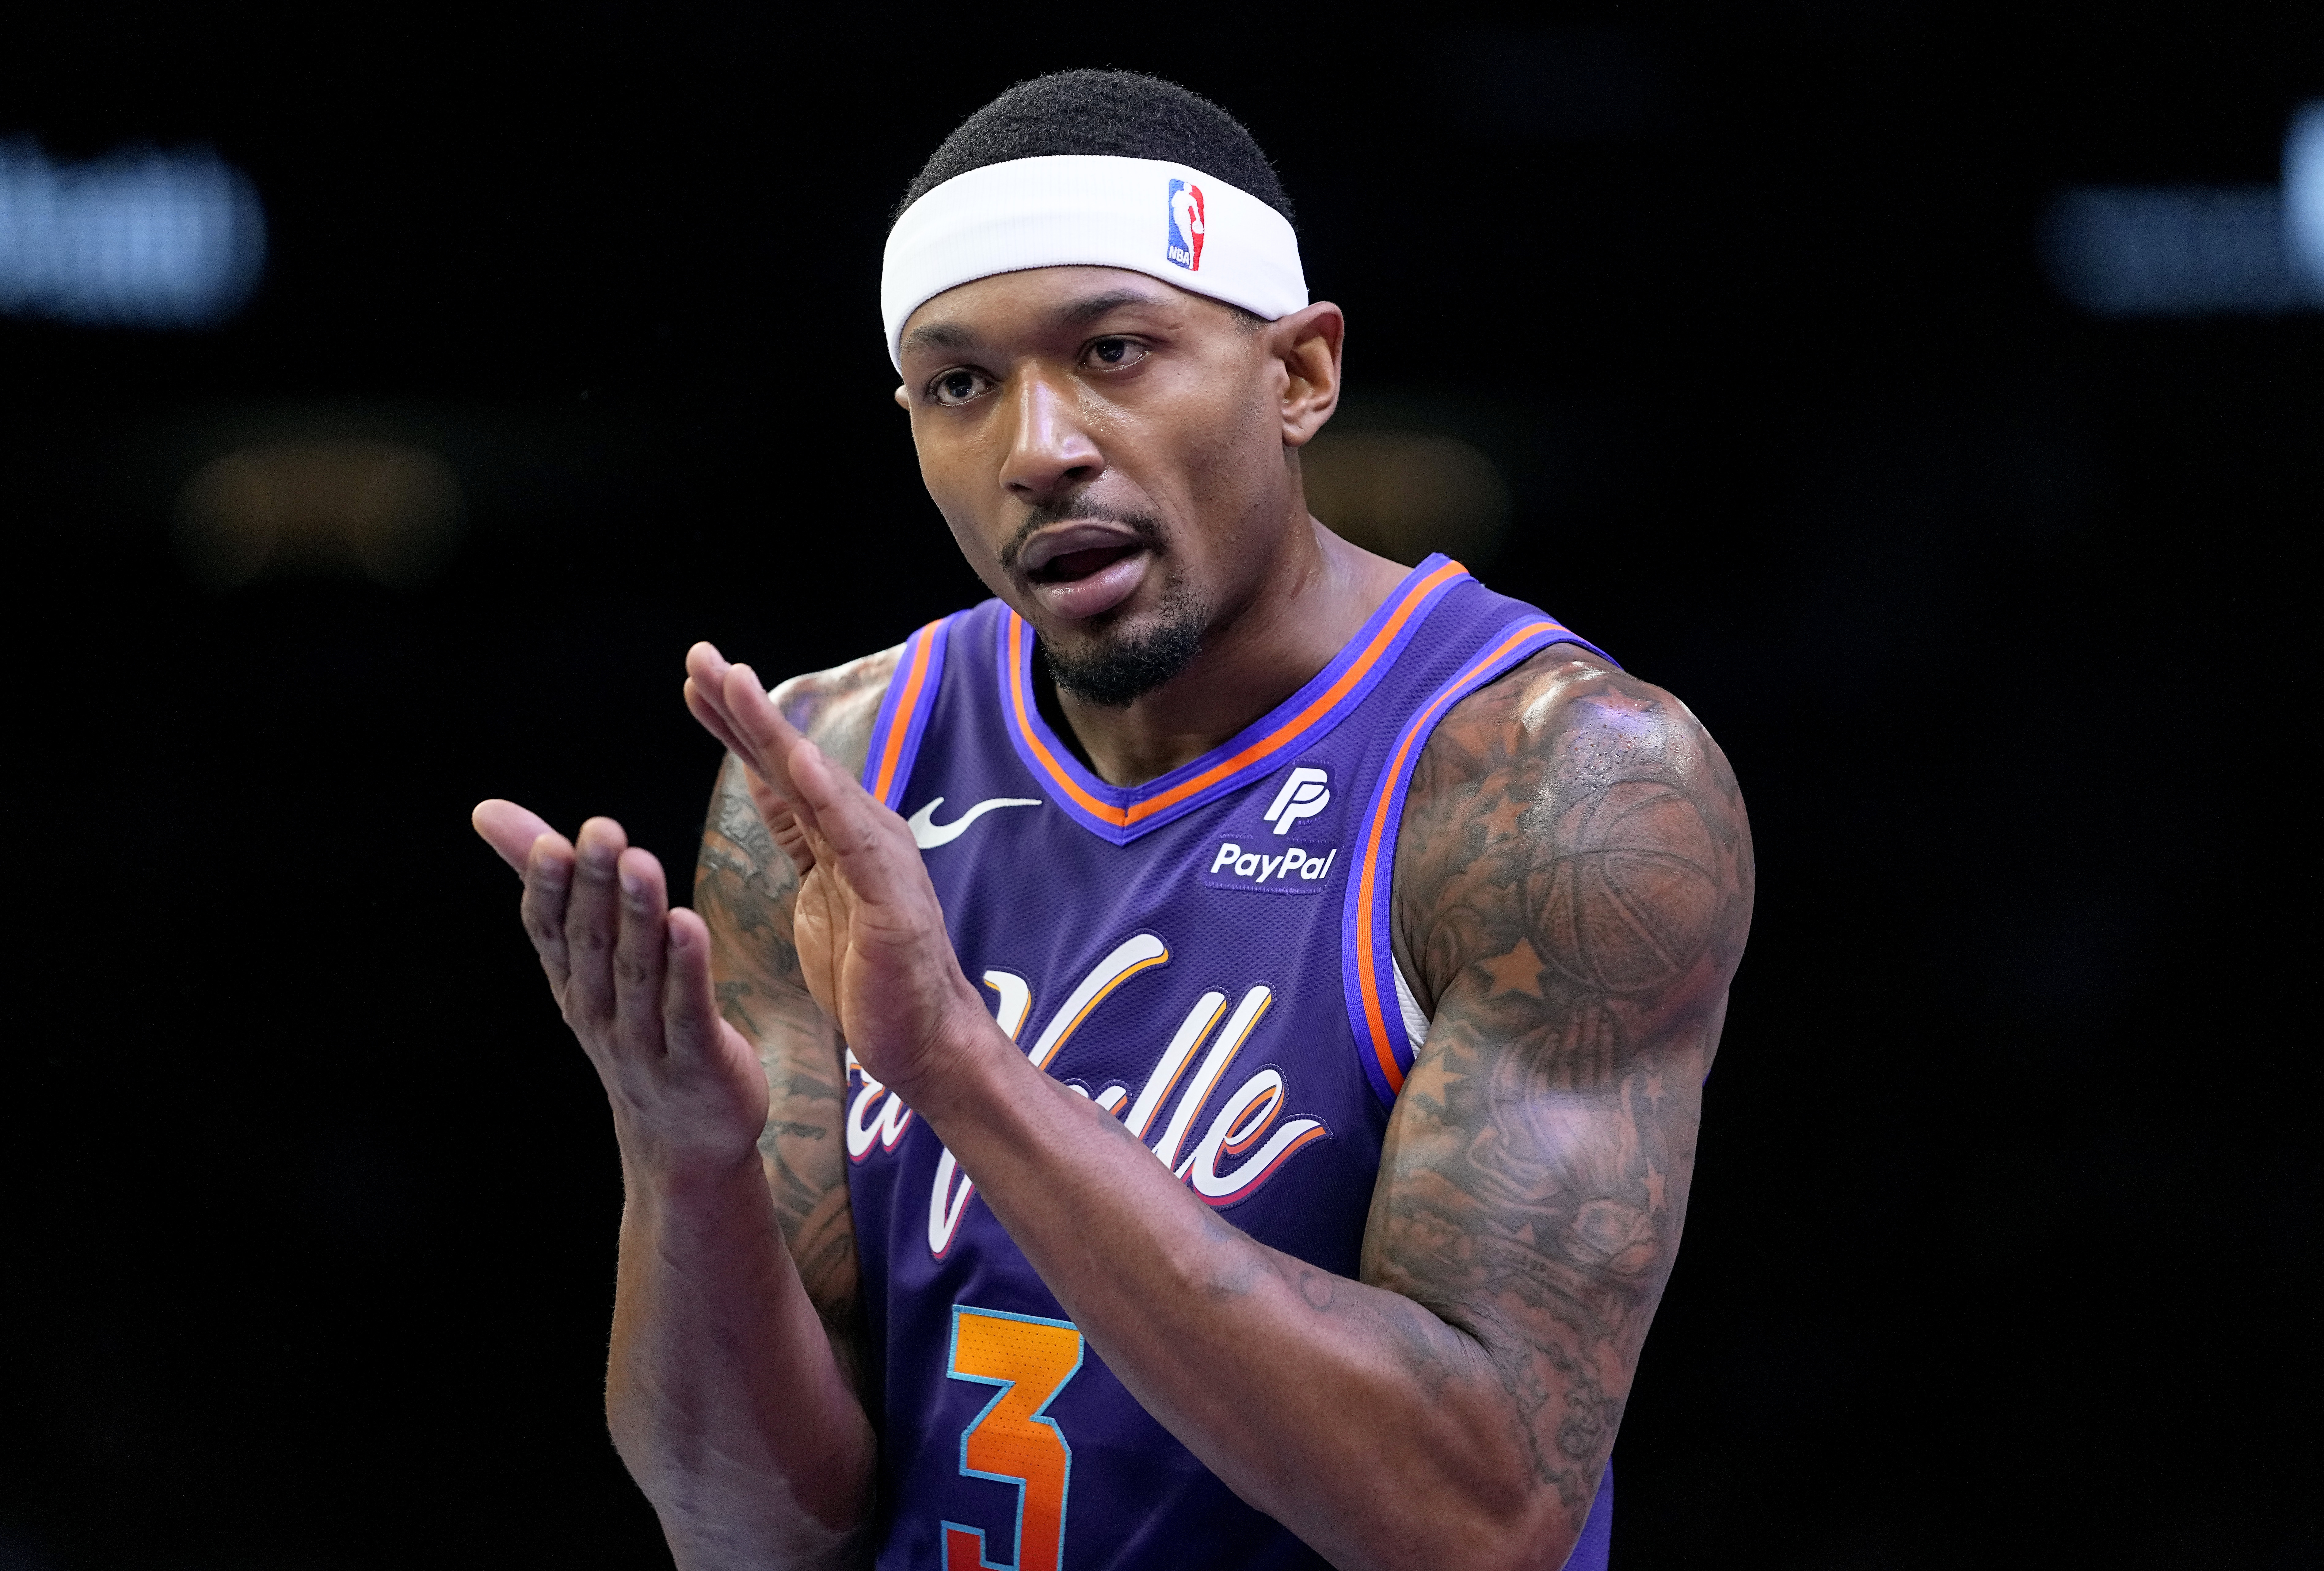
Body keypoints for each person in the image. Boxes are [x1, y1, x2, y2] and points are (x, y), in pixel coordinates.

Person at [473, 68, 1751, 1571]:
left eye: (1114, 352)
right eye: (959, 386)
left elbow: (1475, 1520)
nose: (1038, 447)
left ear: (1300, 376)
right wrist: (679, 1160)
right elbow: (749, 1531)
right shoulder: (830, 770)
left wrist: (959, 1070)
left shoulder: (1554, 782)